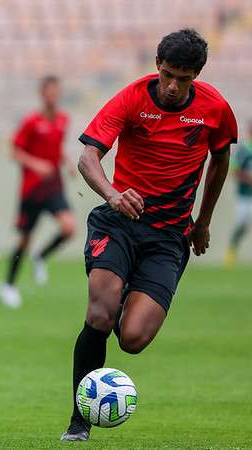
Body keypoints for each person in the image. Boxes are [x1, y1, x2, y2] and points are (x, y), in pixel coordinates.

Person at [60, 29, 237, 441]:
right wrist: (112, 194)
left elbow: (221, 158)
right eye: (168, 75)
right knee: (100, 315)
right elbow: (87, 157)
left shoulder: (215, 109)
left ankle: (123, 291)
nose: (174, 86)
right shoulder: (132, 98)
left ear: (196, 76)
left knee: (134, 340)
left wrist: (204, 221)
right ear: (158, 66)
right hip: (118, 223)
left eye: (184, 78)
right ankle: (78, 420)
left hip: (170, 235)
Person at [0, 76, 76, 308]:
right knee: (24, 241)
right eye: (49, 92)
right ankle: (8, 285)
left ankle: (41, 257)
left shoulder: (63, 120)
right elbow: (15, 152)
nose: (53, 96)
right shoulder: (31, 121)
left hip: (53, 187)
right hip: (32, 189)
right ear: (42, 95)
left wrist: (67, 162)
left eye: (56, 92)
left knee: (69, 228)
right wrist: (36, 164)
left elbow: (55, 147)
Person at [225, 126, 252, 266]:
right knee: (242, 224)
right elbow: (233, 170)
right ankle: (232, 249)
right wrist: (247, 179)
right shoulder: (244, 150)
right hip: (244, 196)